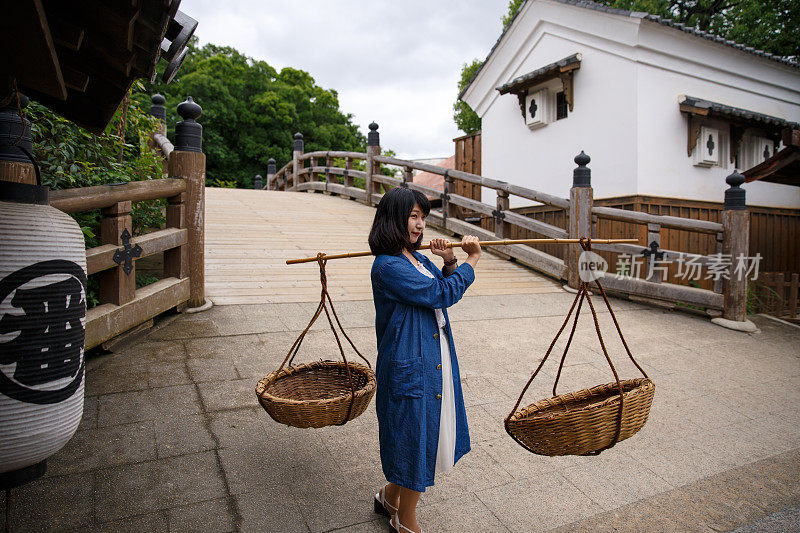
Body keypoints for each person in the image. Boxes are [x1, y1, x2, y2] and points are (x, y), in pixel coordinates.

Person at [368, 187, 481, 533]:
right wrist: (471, 261)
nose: (420, 225)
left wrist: (449, 261)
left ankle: (389, 496)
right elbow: (439, 294)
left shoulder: (418, 259)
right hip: (409, 360)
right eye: (413, 216)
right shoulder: (388, 266)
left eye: (423, 217)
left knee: (422, 430)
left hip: (434, 354)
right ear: (394, 218)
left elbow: (438, 288)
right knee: (414, 436)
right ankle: (405, 516)